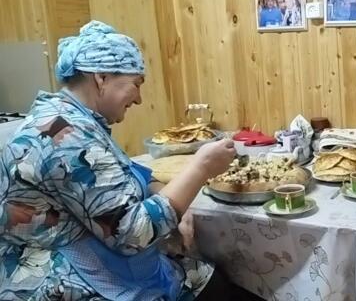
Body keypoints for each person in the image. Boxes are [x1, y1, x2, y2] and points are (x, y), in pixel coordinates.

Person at [0, 21, 238, 300]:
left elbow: (120, 173)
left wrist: (158, 188)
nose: (139, 99)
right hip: (63, 282)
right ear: (101, 78)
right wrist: (201, 168)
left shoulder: (63, 117)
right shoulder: (68, 138)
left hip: (89, 257)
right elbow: (132, 234)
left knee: (213, 278)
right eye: (136, 84)